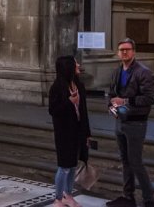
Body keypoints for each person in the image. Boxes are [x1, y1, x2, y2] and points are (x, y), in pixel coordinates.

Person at [107, 38, 154, 207]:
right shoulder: (116, 71)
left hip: (136, 123)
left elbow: (150, 98)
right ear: (118, 52)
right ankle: (128, 197)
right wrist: (111, 106)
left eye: (128, 49)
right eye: (122, 50)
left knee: (135, 162)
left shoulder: (144, 72)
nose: (124, 52)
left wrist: (126, 101)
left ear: (134, 52)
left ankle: (149, 200)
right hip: (120, 122)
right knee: (125, 161)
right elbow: (111, 94)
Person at [49, 56, 91, 207]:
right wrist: (69, 102)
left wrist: (87, 132)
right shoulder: (57, 87)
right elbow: (53, 110)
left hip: (78, 130)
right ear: (68, 67)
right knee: (64, 166)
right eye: (75, 63)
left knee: (73, 165)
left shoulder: (78, 85)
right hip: (64, 132)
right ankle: (58, 199)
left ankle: (68, 195)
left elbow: (84, 111)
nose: (78, 65)